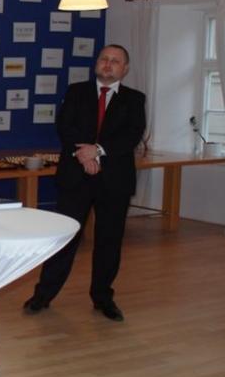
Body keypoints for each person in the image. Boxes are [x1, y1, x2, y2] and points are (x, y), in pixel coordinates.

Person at [23, 44, 146, 322]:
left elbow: (131, 135)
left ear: (125, 69)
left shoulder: (135, 99)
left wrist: (97, 151)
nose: (108, 64)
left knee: (108, 242)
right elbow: (66, 127)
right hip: (76, 177)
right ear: (96, 63)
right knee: (65, 239)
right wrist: (84, 155)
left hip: (114, 181)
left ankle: (103, 298)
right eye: (104, 59)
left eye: (115, 61)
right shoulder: (76, 92)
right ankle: (43, 295)